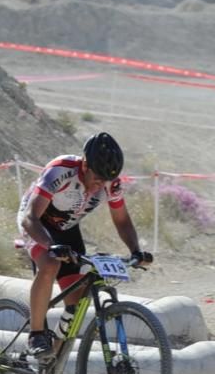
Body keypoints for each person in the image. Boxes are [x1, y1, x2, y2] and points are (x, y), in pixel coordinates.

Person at [18, 132, 152, 357]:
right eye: (97, 178)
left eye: (105, 180)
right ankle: (36, 333)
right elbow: (30, 217)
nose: (100, 184)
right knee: (50, 264)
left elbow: (121, 219)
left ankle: (53, 362)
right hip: (38, 223)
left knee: (77, 303)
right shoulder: (61, 171)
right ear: (85, 164)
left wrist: (135, 250)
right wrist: (50, 246)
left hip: (68, 230)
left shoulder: (110, 182)